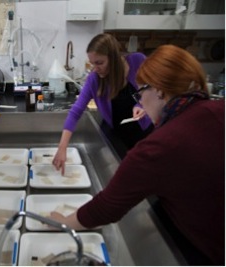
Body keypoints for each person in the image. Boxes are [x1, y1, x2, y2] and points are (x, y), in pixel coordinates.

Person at [48, 45, 225, 265]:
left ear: (159, 90)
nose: (139, 102)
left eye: (140, 92)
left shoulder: (158, 148)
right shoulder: (219, 109)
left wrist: (64, 222)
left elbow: (105, 208)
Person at [53, 33, 153, 174]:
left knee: (146, 174)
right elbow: (75, 112)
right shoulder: (94, 80)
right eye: (92, 63)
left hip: (143, 134)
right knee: (123, 174)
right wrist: (62, 148)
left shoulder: (138, 61)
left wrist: (142, 105)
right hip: (117, 136)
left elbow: (154, 87)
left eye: (99, 63)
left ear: (113, 58)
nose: (95, 68)